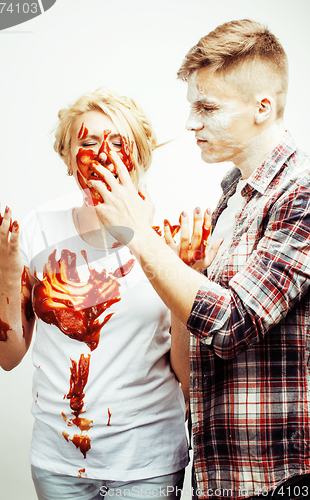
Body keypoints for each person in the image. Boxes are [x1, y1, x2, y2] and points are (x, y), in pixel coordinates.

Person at [86, 20, 310, 500]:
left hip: (278, 477)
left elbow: (233, 325)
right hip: (221, 473)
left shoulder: (303, 193)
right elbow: (199, 349)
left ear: (262, 108)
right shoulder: (231, 198)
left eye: (207, 107)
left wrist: (138, 235)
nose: (191, 122)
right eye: (192, 105)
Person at [0, 89, 191, 500]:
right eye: (88, 142)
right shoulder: (40, 226)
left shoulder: (171, 234)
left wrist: (185, 268)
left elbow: (187, 372)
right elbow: (8, 358)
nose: (103, 154)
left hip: (147, 463)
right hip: (58, 463)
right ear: (67, 157)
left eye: (118, 142)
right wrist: (9, 266)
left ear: (140, 156)